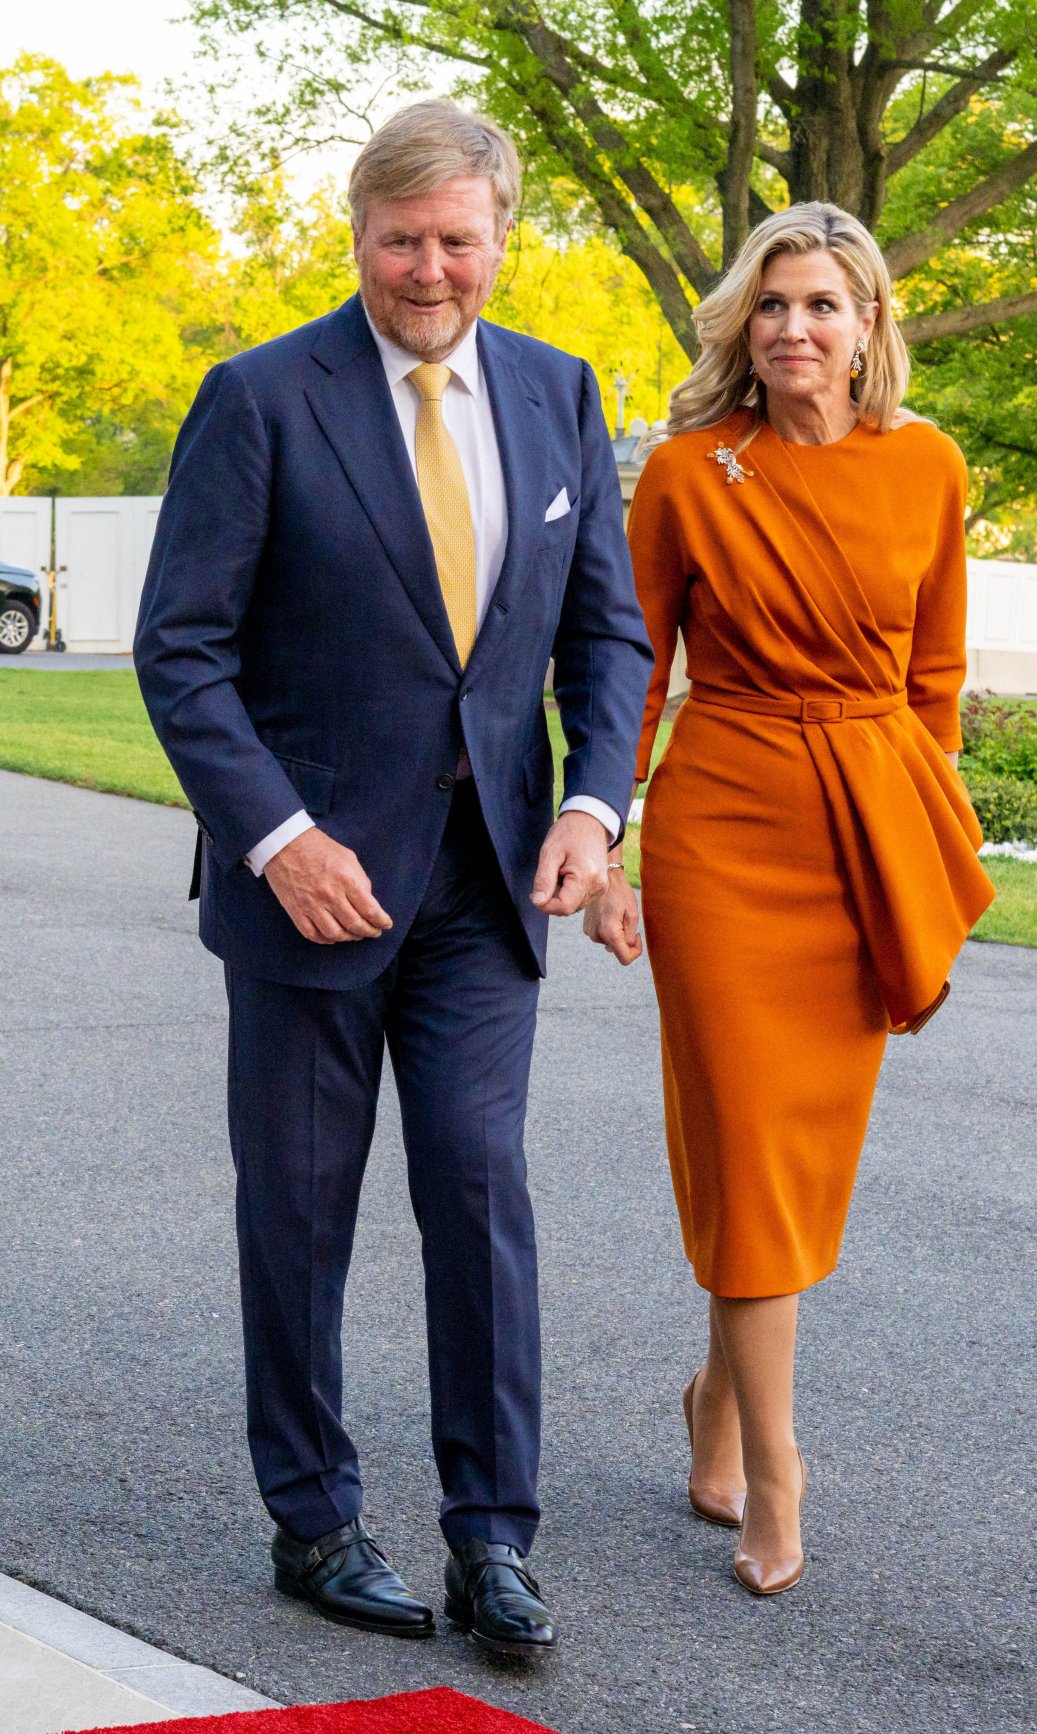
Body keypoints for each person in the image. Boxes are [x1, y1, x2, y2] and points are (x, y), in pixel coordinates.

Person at [134, 101, 651, 1656]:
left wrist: (597, 805)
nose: (430, 269)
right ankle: (312, 1516)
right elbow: (185, 649)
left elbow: (607, 637)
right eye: (400, 237)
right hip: (312, 890)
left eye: (458, 239)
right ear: (358, 233)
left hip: (491, 888)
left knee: (479, 1191)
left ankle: (495, 1534)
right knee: (299, 1211)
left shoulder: (563, 399)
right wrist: (278, 838)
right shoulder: (258, 397)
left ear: (503, 237)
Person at [585, 202, 994, 1596]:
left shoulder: (929, 463)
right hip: (726, 824)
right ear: (739, 329)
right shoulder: (690, 472)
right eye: (772, 307)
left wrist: (918, 840)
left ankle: (713, 1398)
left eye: (823, 304)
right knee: (748, 1137)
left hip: (867, 822)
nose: (797, 329)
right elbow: (630, 671)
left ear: (871, 320)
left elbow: (936, 680)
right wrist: (605, 838)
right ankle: (777, 1466)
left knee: (798, 1154)